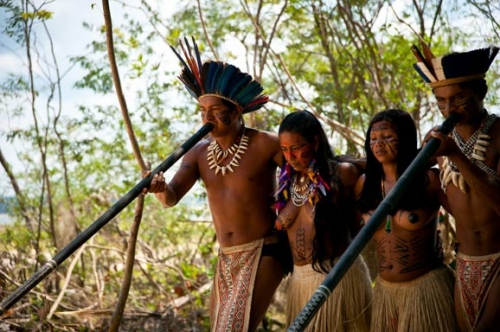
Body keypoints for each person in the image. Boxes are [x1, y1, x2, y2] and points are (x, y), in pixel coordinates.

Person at [144, 38, 288, 332]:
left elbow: (306, 172)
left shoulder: (265, 144)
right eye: (203, 111)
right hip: (226, 258)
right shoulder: (197, 152)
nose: (206, 118)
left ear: (236, 112)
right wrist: (159, 190)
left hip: (265, 251)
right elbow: (171, 197)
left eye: (214, 110)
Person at [412, 42, 500, 331]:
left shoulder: (498, 135)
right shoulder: (439, 139)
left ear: (482, 92)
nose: (448, 109)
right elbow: (450, 200)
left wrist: (455, 156)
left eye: (458, 98)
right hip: (465, 262)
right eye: (440, 101)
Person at [355, 109, 456, 331]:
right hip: (385, 293)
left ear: (405, 138)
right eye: (373, 139)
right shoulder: (365, 184)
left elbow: (468, 219)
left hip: (426, 289)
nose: (379, 144)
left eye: (387, 137)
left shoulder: (429, 180)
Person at [275, 110, 372, 331]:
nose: (289, 157)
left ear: (315, 142)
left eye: (297, 148)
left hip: (336, 276)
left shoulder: (341, 173)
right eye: (284, 150)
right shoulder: (287, 182)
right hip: (301, 281)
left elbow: (379, 168)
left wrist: (351, 160)